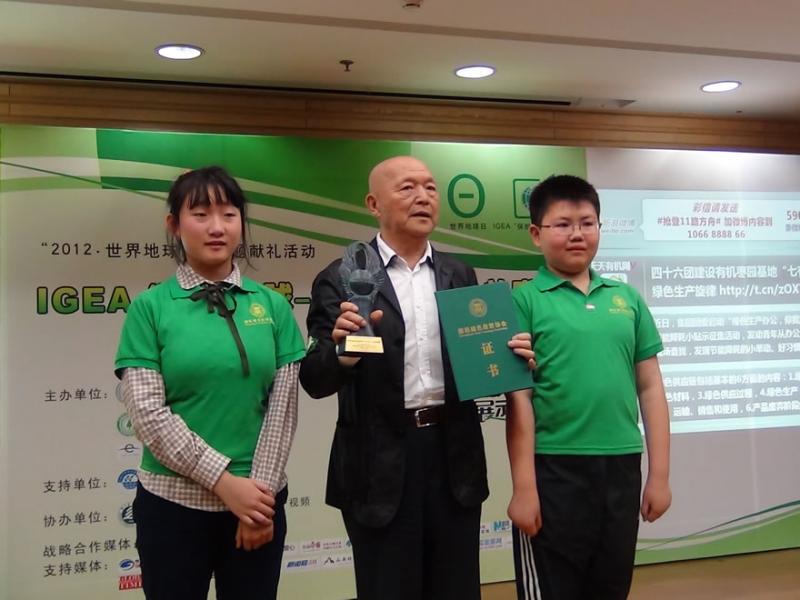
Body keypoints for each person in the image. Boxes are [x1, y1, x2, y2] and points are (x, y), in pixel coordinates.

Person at [299, 155, 535, 600]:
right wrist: (343, 352)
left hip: (453, 457)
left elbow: (475, 358)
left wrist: (507, 355)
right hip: (377, 464)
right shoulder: (342, 277)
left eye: (430, 187)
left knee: (457, 588)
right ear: (374, 204)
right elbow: (314, 379)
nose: (423, 197)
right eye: (407, 188)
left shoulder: (459, 274)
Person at [114, 166, 306, 599]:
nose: (217, 227)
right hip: (172, 503)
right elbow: (148, 415)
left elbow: (282, 411)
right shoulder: (150, 308)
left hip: (259, 502)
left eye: (229, 214)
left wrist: (256, 504)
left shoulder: (273, 306)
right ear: (174, 224)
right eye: (200, 214)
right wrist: (224, 482)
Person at [505, 174, 672, 600]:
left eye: (587, 223)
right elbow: (518, 398)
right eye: (562, 224)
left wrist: (659, 476)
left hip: (621, 466)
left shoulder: (626, 298)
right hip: (554, 469)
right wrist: (524, 488)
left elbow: (651, 388)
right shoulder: (522, 301)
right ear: (536, 234)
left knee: (611, 586)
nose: (577, 234)